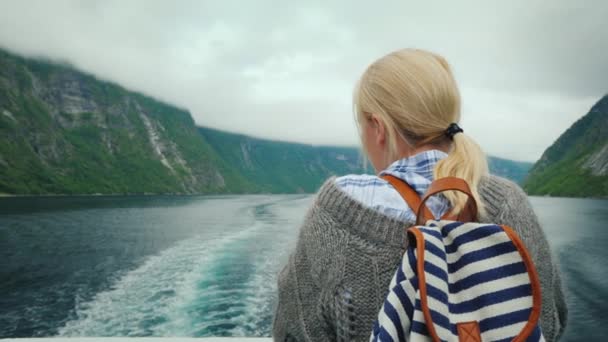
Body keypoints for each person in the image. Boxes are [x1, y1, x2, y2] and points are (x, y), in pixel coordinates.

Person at [272, 48, 567, 342]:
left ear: (378, 127)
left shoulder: (335, 213)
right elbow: (551, 320)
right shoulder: (508, 201)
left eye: (362, 125)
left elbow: (292, 331)